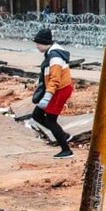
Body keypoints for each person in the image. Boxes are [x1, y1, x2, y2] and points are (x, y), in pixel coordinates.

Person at [31, 28, 74, 159]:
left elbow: (55, 79)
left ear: (45, 43)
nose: (37, 46)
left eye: (38, 43)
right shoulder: (51, 53)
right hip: (56, 89)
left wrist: (47, 97)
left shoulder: (55, 57)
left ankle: (66, 150)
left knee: (50, 120)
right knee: (37, 115)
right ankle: (63, 135)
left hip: (59, 90)